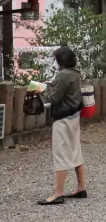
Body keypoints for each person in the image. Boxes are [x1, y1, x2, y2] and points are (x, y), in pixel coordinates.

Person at [38, 46, 87, 205]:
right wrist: (51, 85)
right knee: (75, 150)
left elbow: (54, 98)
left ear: (61, 60)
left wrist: (41, 90)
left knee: (60, 153)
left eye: (55, 59)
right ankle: (81, 187)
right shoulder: (75, 73)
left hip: (63, 119)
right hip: (74, 116)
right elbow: (65, 91)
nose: (54, 62)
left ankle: (58, 193)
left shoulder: (63, 75)